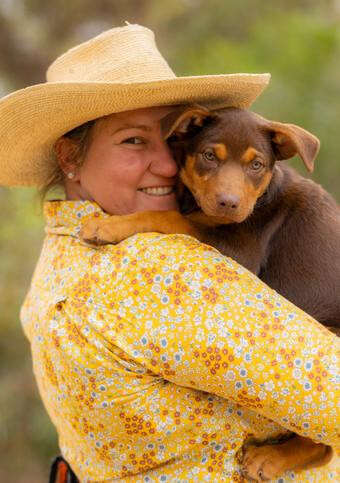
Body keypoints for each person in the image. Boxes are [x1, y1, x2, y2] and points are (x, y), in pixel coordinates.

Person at [0, 24, 338, 482]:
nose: (167, 165)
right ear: (69, 156)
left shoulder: (62, 252)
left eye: (174, 141)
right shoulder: (161, 269)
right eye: (133, 140)